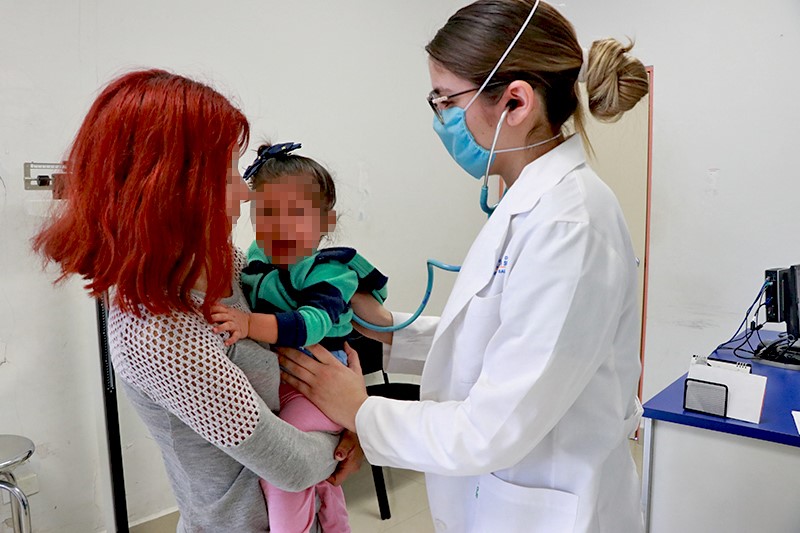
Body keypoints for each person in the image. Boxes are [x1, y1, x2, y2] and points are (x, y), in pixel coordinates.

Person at [277, 1, 650, 532]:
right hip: (495, 493)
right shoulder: (528, 204)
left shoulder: (570, 226)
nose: (441, 120)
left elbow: (491, 429)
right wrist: (387, 330)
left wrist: (360, 410)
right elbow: (499, 336)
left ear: (515, 102)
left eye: (445, 101)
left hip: (546, 506)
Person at [32, 69, 361, 533]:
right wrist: (357, 423)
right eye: (229, 173)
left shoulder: (223, 260)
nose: (244, 193)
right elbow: (290, 466)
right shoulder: (161, 330)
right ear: (172, 188)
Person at [210, 143, 388, 533]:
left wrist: (249, 323)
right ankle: (335, 518)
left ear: (327, 221)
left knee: (281, 469)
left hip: (320, 385)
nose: (280, 226)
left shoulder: (330, 270)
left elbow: (312, 323)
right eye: (267, 213)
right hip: (289, 383)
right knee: (301, 467)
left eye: (296, 214)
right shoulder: (254, 257)